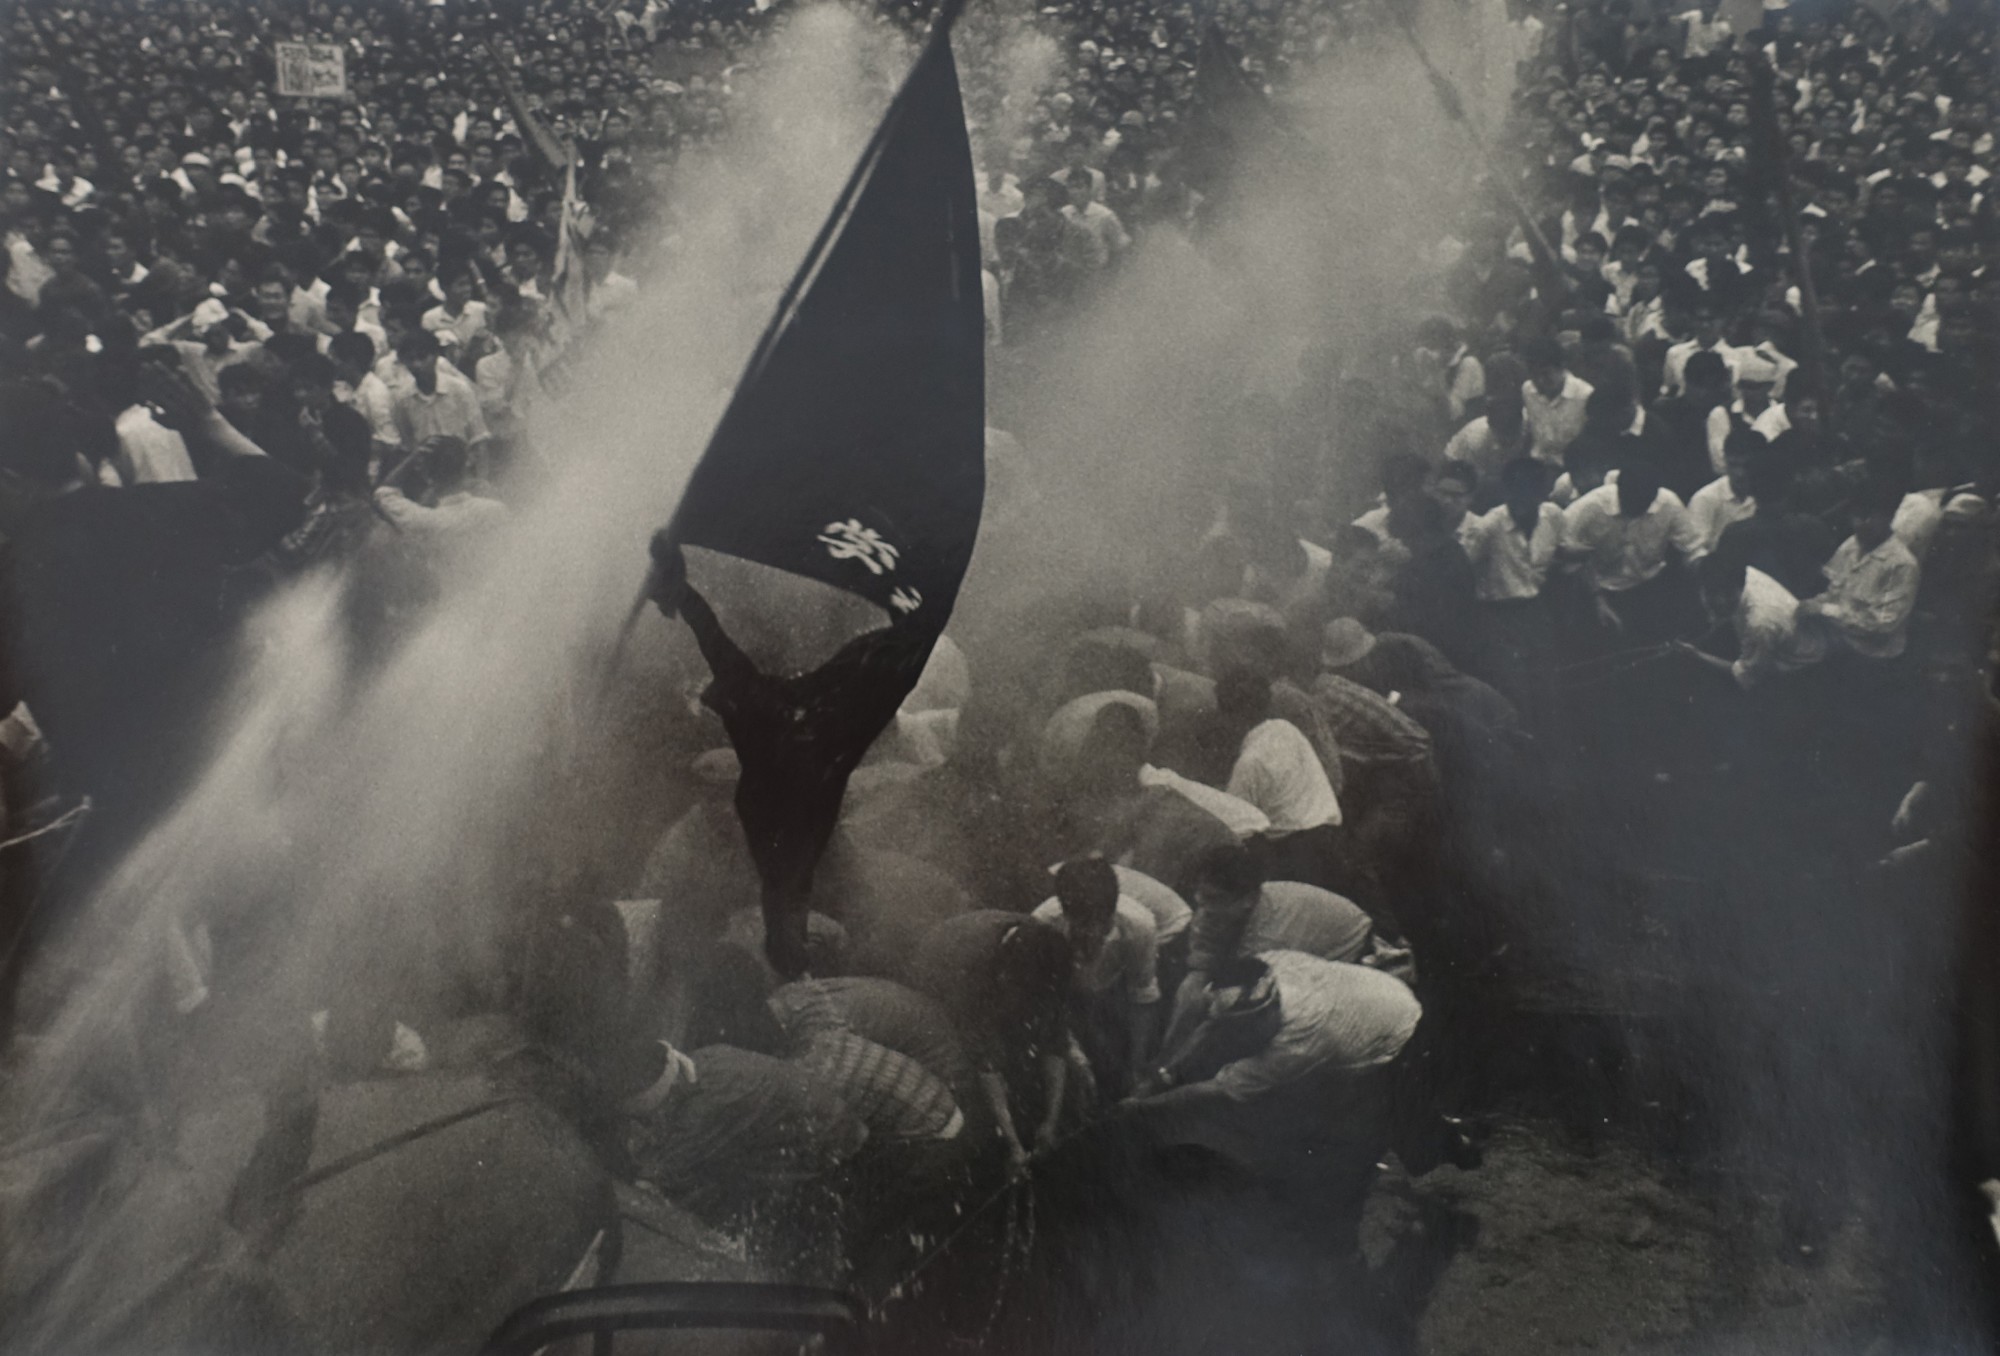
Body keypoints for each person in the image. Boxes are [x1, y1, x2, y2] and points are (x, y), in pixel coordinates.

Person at [648, 536, 943, 979]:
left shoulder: (803, 784)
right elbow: (712, 638)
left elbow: (851, 895)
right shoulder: (690, 838)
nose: (719, 810)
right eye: (712, 800)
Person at [908, 910, 1074, 1179]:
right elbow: (986, 1063)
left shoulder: (1050, 956)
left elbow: (1055, 1040)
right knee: (964, 1065)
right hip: (938, 967)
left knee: (1023, 1037)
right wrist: (1013, 1144)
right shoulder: (973, 975)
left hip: (997, 965)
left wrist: (1050, 1122)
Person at [1030, 857, 1162, 1097]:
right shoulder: (1042, 924)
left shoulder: (1139, 926)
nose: (1091, 933)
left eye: (1099, 923)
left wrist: (1136, 1066)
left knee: (1115, 1062)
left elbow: (1142, 997)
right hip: (1064, 994)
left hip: (1113, 989)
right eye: (1082, 924)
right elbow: (1043, 1000)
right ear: (1065, 911)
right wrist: (1073, 1054)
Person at [1562, 453, 1701, 640]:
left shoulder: (1669, 503)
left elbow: (1692, 547)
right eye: (1631, 503)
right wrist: (1597, 599)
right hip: (1595, 588)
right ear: (1618, 490)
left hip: (1648, 587)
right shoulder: (1589, 507)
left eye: (1644, 504)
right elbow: (1563, 551)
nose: (1637, 511)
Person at [1801, 480, 1921, 662]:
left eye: (1869, 517)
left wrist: (1825, 610)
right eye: (1856, 516)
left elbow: (1882, 626)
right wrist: (1809, 605)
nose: (1860, 524)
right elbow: (1832, 592)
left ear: (1889, 517)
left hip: (1870, 653)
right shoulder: (1851, 545)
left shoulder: (1901, 564)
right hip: (1837, 636)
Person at [1520, 334, 1595, 463]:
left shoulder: (1585, 395)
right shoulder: (1528, 390)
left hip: (1572, 466)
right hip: (1538, 464)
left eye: (1545, 374)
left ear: (1561, 367)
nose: (1540, 381)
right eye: (1534, 375)